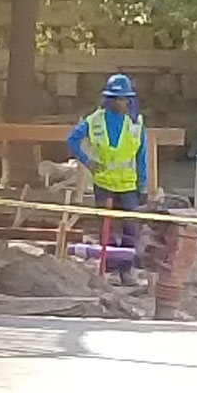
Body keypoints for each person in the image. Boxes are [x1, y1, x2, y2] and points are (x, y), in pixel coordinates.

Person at [67, 73, 147, 287]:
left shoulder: (135, 123)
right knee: (107, 229)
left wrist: (143, 183)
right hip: (104, 184)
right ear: (109, 99)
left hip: (129, 186)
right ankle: (111, 270)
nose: (120, 103)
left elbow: (141, 155)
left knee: (131, 229)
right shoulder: (95, 121)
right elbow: (72, 139)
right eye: (116, 99)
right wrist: (87, 161)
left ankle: (127, 271)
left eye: (124, 99)